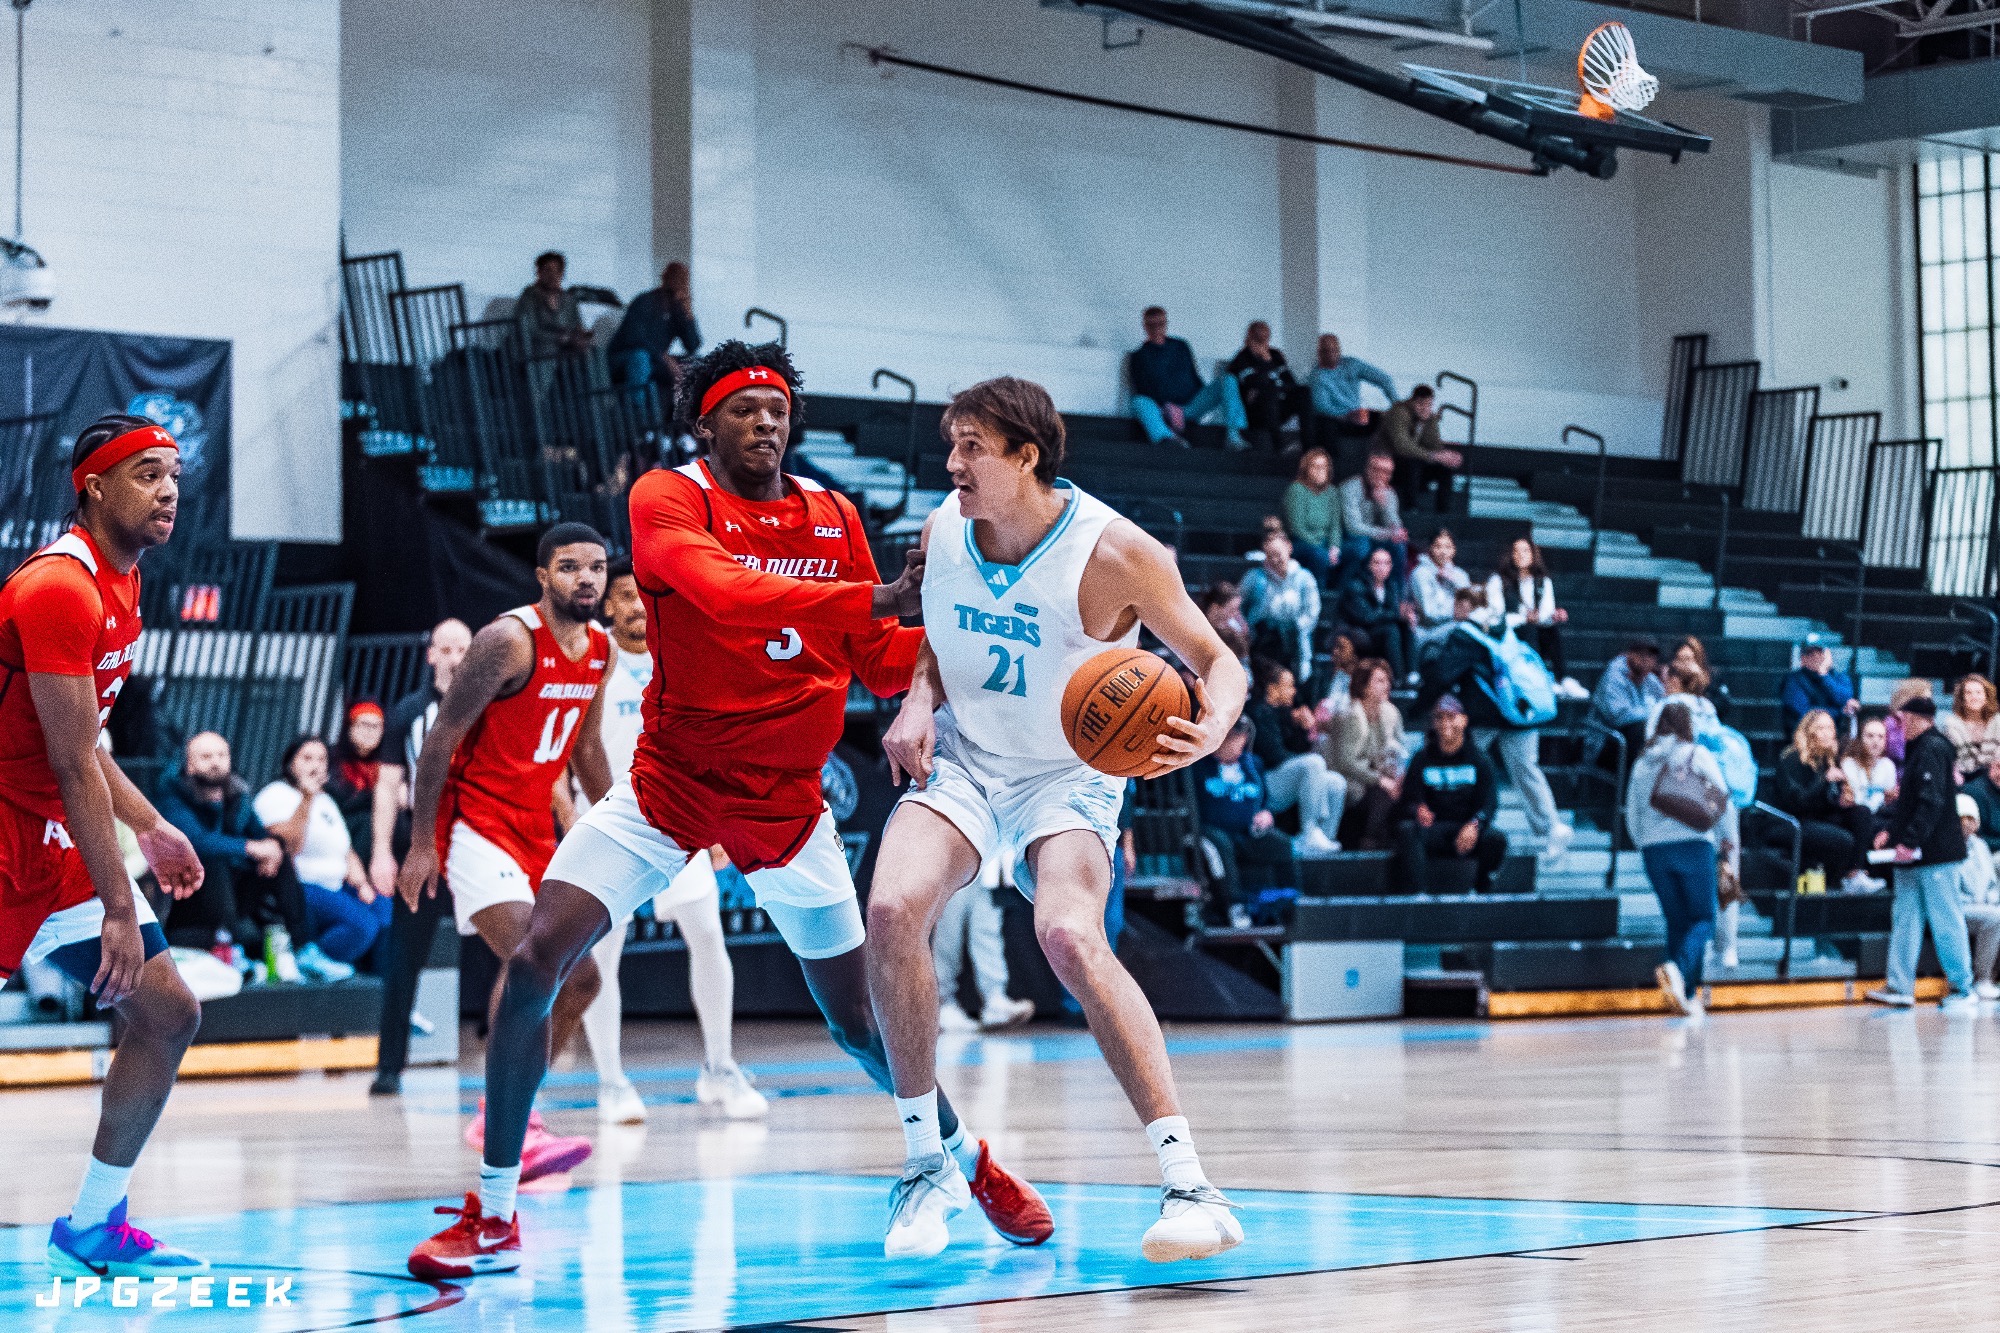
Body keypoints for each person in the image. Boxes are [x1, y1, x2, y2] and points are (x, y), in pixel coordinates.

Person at [406, 343, 1049, 1279]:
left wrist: (972, 646)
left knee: (860, 1025)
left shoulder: (830, 512)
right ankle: (496, 1210)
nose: (766, 419)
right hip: (672, 783)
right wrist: (870, 597)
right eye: (744, 406)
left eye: (778, 405)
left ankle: (967, 1160)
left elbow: (873, 654)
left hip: (786, 802)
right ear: (703, 424)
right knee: (540, 956)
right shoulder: (667, 499)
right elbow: (721, 591)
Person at [868, 374, 1248, 1264]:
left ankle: (1191, 1182)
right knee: (889, 911)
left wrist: (1209, 730)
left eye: (972, 446)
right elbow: (935, 632)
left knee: (1069, 936)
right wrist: (917, 701)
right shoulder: (943, 525)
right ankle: (928, 1167)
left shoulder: (1115, 551)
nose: (952, 461)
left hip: (1069, 771)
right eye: (950, 442)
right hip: (965, 754)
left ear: (1026, 456)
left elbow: (1215, 659)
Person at [0, 413, 209, 1276]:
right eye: (145, 474)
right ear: (93, 485)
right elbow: (65, 757)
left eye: (172, 473)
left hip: (51, 839)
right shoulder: (60, 587)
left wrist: (152, 827)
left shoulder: (124, 582)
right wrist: (121, 904)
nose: (166, 490)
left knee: (167, 1012)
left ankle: (92, 1223)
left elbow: (88, 749)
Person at [397, 523, 616, 1184]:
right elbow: (441, 738)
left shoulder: (600, 648)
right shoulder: (508, 640)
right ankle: (509, 1122)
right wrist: (420, 842)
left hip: (538, 832)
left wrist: (635, 826)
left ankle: (506, 1113)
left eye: (597, 568)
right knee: (533, 962)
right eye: (570, 567)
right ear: (542, 575)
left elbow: (586, 749)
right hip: (477, 824)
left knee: (582, 979)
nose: (586, 579)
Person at [573, 556, 764, 1126]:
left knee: (707, 935)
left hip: (678, 820)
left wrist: (721, 817)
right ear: (609, 604)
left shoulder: (679, 654)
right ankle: (611, 1082)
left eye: (645, 595)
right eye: (626, 595)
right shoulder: (593, 658)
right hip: (609, 822)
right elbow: (573, 750)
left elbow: (710, 741)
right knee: (603, 953)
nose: (637, 605)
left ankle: (720, 1069)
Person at [368, 618, 473, 1097]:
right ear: (431, 654)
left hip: (475, 837)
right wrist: (379, 853)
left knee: (502, 946)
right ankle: (389, 1067)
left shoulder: (487, 707)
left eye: (462, 648)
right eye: (445, 648)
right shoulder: (409, 711)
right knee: (405, 955)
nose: (454, 657)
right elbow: (387, 786)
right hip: (422, 842)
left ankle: (504, 1060)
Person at [1418, 588, 1571, 861]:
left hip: (1483, 716)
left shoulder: (1466, 633)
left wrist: (1418, 708)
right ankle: (1550, 827)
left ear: (1467, 605)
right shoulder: (1507, 625)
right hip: (1521, 712)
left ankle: (1465, 822)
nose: (1455, 611)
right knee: (1527, 771)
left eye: (1458, 604)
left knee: (1467, 764)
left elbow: (1443, 674)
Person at [155, 732, 315, 980]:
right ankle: (235, 952)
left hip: (234, 897)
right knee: (211, 858)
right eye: (206, 756)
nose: (216, 762)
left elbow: (260, 835)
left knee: (278, 859)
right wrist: (251, 848)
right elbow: (194, 841)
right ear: (188, 764)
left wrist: (273, 847)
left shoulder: (237, 796)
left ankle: (303, 949)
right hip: (186, 901)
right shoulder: (171, 796)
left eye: (222, 755)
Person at [1865, 695, 1977, 1010]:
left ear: (1915, 718)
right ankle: (1900, 986)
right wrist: (1894, 834)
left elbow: (1931, 802)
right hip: (1915, 854)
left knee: (1945, 919)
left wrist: (1910, 840)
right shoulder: (1923, 750)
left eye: (1900, 721)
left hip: (1937, 853)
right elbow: (1913, 802)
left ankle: (1963, 989)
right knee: (1905, 918)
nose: (1896, 729)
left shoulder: (1932, 749)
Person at [1627, 700, 1729, 1019]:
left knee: (1677, 920)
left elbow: (1632, 812)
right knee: (1703, 919)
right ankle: (1679, 972)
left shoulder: (1642, 761)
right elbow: (1721, 793)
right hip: (1693, 845)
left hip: (1654, 851)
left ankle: (1684, 996)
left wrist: (1644, 842)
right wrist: (1723, 837)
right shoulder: (1695, 754)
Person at [252, 736, 385, 978]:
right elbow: (288, 846)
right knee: (362, 926)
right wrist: (305, 799)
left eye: (322, 759)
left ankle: (381, 987)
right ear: (290, 763)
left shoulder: (327, 800)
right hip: (302, 885)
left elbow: (345, 848)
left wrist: (363, 883)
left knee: (385, 912)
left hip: (337, 884)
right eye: (307, 758)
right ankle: (306, 961)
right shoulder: (276, 794)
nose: (315, 765)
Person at [1395, 696, 1506, 892]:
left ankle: (1482, 888)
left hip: (1466, 828)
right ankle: (1416, 894)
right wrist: (1418, 809)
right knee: (1407, 830)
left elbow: (1490, 803)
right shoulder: (1422, 759)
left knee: (1496, 839)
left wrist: (1475, 825)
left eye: (1451, 717)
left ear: (1463, 720)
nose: (1445, 723)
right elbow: (1408, 799)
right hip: (1433, 828)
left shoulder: (1480, 760)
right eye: (1439, 718)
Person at [1192, 719, 1294, 925]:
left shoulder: (1253, 764)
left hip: (1247, 831)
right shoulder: (1197, 767)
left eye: (1242, 740)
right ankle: (1234, 905)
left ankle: (1288, 901)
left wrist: (1266, 814)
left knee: (1282, 844)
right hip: (1212, 831)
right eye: (1235, 740)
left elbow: (1263, 800)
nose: (1240, 746)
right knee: (1219, 842)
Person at [1772, 709, 1882, 893]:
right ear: (1809, 731)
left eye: (1830, 728)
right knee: (1843, 840)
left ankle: (1854, 875)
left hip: (1819, 816)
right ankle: (1834, 883)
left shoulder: (1829, 759)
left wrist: (1842, 799)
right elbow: (1796, 802)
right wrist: (1824, 780)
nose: (1827, 733)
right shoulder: (1792, 758)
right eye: (1820, 728)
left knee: (1862, 813)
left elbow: (1827, 802)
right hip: (1794, 819)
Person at [1247, 658, 1346, 858]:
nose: (1294, 691)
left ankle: (1322, 841)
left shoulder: (1285, 714)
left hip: (1283, 778)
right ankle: (1308, 832)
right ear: (1272, 688)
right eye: (1289, 686)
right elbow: (1274, 756)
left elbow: (1298, 753)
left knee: (1336, 783)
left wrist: (1305, 729)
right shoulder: (1258, 712)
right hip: (1265, 784)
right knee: (1314, 763)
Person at [1127, 307, 1248, 449]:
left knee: (1228, 380)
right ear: (1145, 327)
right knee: (1138, 401)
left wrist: (1201, 399)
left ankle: (1233, 435)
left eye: (1161, 324)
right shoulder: (1139, 356)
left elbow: (1193, 376)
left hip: (1190, 406)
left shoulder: (1181, 346)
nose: (1157, 329)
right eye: (1152, 325)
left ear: (1166, 324)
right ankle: (1167, 439)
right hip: (1163, 411)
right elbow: (1142, 388)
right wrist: (1166, 407)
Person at [933, 864, 1034, 1032]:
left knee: (988, 925)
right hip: (954, 853)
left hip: (990, 857)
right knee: (949, 926)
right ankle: (943, 1003)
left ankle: (995, 999)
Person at [1327, 658, 1405, 850]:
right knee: (1382, 794)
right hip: (1347, 778)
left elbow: (1400, 749)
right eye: (1379, 681)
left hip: (1374, 773)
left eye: (1387, 680)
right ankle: (1369, 842)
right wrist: (1380, 780)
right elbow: (1345, 762)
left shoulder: (1390, 713)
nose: (1386, 685)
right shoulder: (1352, 715)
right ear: (1364, 687)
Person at [1485, 537, 1580, 694]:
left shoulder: (1542, 581)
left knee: (1550, 629)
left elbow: (1545, 614)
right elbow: (1496, 616)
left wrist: (1554, 615)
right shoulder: (1499, 581)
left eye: (1525, 551)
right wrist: (1524, 618)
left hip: (1534, 630)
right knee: (1529, 628)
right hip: (1508, 632)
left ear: (1533, 554)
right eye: (1516, 551)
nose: (1520, 555)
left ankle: (1562, 678)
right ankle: (1538, 677)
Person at [1239, 529, 1319, 685]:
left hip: (1292, 642)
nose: (1275, 560)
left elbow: (1311, 613)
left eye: (1278, 554)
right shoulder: (1255, 577)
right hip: (1261, 641)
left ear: (1289, 548)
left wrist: (1293, 628)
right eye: (1270, 556)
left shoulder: (1304, 578)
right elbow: (1238, 605)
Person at [1307, 333, 1396, 470]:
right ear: (1319, 353)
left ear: (1339, 350)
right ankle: (1333, 470)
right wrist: (1347, 416)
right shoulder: (1317, 375)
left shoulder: (1352, 364)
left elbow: (1384, 379)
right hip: (1335, 418)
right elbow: (1321, 406)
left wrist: (1397, 404)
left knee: (1389, 418)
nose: (1331, 354)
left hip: (1357, 415)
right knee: (1325, 424)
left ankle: (1382, 465)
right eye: (1326, 351)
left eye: (1334, 350)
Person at [607, 260, 700, 390]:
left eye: (684, 279)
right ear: (666, 278)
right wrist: (664, 357)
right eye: (677, 277)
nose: (681, 283)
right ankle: (637, 408)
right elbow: (634, 338)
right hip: (624, 358)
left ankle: (682, 408)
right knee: (640, 358)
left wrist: (688, 315)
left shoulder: (677, 310)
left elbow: (693, 345)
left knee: (695, 364)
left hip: (655, 359)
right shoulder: (644, 301)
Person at [1336, 546, 1418, 686]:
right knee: (1391, 630)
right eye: (1377, 563)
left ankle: (1412, 675)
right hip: (1359, 632)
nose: (1382, 567)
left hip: (1381, 630)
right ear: (1369, 565)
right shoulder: (1356, 585)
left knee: (1407, 626)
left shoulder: (1391, 585)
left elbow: (1392, 613)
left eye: (1386, 563)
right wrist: (1398, 614)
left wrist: (1406, 616)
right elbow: (1366, 617)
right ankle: (1397, 678)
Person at [1375, 385, 1463, 514]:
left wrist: (1446, 456)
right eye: (1421, 404)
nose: (1425, 408)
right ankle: (1411, 507)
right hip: (1388, 463)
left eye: (1429, 404)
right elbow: (1402, 446)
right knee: (1413, 461)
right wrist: (1433, 456)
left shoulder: (1430, 418)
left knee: (1445, 468)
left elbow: (1434, 445)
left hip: (1415, 466)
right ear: (1412, 401)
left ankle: (1443, 511)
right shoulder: (1399, 413)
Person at [1226, 320, 1310, 450]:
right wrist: (1265, 363)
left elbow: (1291, 383)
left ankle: (1309, 446)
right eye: (1258, 336)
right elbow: (1252, 384)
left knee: (1304, 392)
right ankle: (1279, 445)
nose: (1262, 339)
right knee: (1268, 391)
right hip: (1257, 413)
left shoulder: (1275, 355)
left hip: (1280, 406)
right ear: (1249, 335)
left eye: (1265, 335)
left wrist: (1269, 365)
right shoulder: (1242, 358)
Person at [1589, 639, 1664, 772]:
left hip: (1635, 743)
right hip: (1607, 741)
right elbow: (1618, 716)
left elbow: (1665, 703)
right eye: (1642, 655)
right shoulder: (1614, 675)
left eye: (1651, 657)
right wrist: (1654, 711)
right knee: (1639, 729)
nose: (1646, 660)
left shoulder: (1649, 679)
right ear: (1630, 654)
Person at [1953, 793, 2000, 1000]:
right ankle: (1983, 979)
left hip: (1984, 905)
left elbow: (1991, 883)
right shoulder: (1948, 848)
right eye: (1962, 819)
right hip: (1960, 907)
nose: (1967, 824)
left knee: (1995, 914)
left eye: (1971, 819)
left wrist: (1992, 899)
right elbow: (1950, 891)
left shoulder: (1980, 846)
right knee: (1994, 918)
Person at [1336, 452, 1409, 581]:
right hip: (1346, 538)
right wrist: (1387, 533)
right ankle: (1344, 585)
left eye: (1386, 472)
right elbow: (1353, 527)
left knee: (1398, 545)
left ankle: (1397, 594)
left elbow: (1396, 528)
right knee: (1362, 546)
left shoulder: (1389, 493)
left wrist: (1384, 506)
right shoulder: (1351, 488)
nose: (1381, 475)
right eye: (1376, 469)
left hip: (1374, 538)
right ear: (1367, 469)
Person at [329, 701, 385, 860]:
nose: (370, 731)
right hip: (338, 831)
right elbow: (343, 800)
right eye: (364, 724)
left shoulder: (387, 766)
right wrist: (384, 796)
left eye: (376, 726)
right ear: (350, 727)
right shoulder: (332, 758)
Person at [1281, 447, 1342, 587]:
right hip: (1301, 542)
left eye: (1323, 467)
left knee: (1359, 549)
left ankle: (1342, 591)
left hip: (1326, 543)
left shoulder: (1332, 492)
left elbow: (1335, 526)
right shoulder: (1297, 490)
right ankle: (1319, 594)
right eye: (1315, 466)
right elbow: (1297, 527)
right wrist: (1323, 549)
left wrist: (1334, 547)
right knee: (1320, 555)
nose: (1320, 470)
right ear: (1306, 469)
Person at [515, 251, 592, 360]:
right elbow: (529, 330)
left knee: (591, 350)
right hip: (534, 349)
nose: (553, 276)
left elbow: (577, 325)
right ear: (539, 273)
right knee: (548, 350)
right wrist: (559, 338)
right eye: (548, 270)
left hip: (564, 347)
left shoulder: (569, 300)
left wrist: (581, 336)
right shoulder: (529, 296)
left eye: (558, 271)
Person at [1779, 635, 1859, 738]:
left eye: (1819, 651)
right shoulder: (1793, 680)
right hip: (1805, 738)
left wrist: (1824, 675)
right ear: (1802, 658)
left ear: (1827, 654)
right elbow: (1805, 714)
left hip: (1836, 737)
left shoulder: (1839, 677)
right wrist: (1839, 711)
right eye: (1810, 653)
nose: (1816, 656)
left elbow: (1845, 700)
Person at [1409, 529, 1469, 659]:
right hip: (1428, 633)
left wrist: (1454, 583)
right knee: (1465, 629)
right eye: (1438, 546)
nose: (1443, 552)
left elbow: (1470, 607)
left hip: (1454, 627)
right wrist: (1456, 614)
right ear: (1430, 549)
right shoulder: (1420, 573)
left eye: (1448, 547)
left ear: (1454, 550)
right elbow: (1429, 614)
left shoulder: (1460, 575)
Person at [1940, 673, 2000, 779]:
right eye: (1968, 693)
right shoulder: (1952, 726)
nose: (1974, 697)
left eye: (1978, 692)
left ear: (1987, 696)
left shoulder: (1997, 723)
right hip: (1963, 780)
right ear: (1962, 699)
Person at [1841, 718, 1899, 813]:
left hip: (1881, 814)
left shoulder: (1888, 765)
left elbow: (1888, 799)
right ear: (1860, 739)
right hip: (1857, 814)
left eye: (1881, 737)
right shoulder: (1849, 763)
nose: (1876, 741)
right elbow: (1856, 800)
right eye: (1870, 736)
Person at [1669, 636, 1732, 724]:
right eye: (1680, 659)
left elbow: (1723, 706)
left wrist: (1699, 685)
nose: (1684, 664)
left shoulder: (1713, 677)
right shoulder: (1670, 678)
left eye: (1688, 659)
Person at [1196, 580, 1250, 666]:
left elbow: (1244, 657)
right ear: (1215, 608)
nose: (1235, 615)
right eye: (1232, 610)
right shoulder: (1196, 627)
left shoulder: (1233, 629)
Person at [1883, 678, 1932, 767]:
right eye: (1925, 700)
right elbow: (1899, 753)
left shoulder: (1927, 722)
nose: (1928, 704)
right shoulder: (1893, 722)